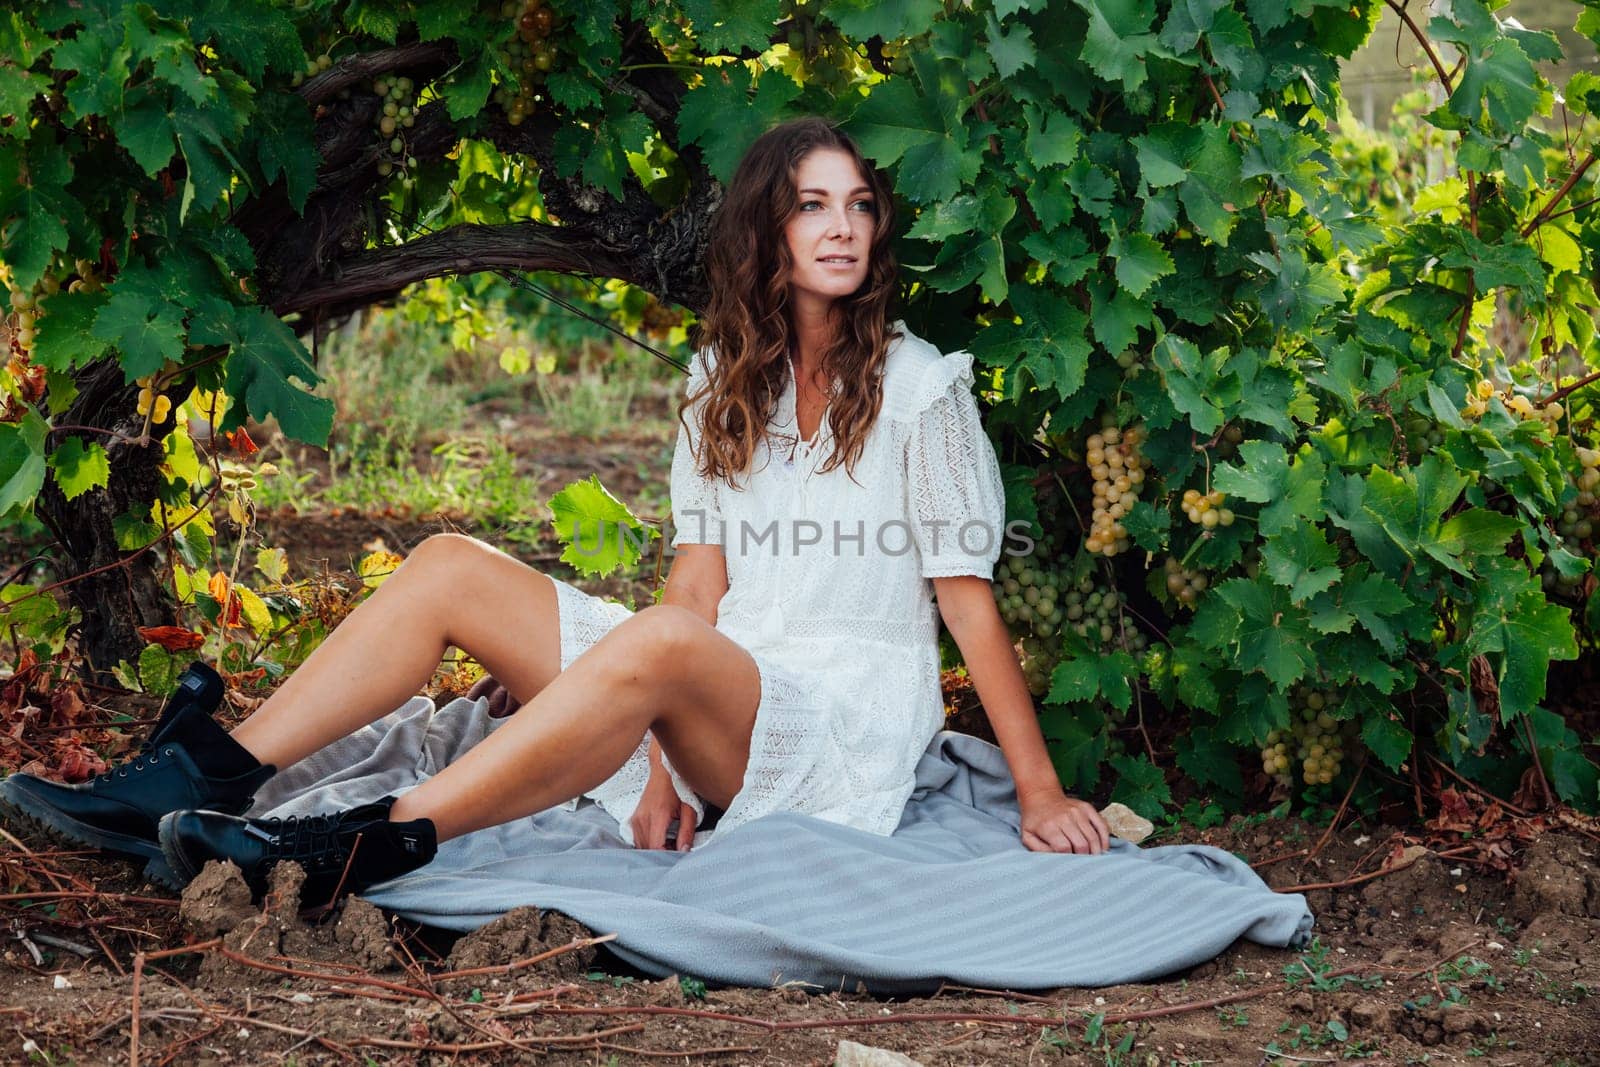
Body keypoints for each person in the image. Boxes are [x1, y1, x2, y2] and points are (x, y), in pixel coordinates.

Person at [0, 116, 1110, 907]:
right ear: (764, 231)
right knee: (447, 561)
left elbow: (964, 605)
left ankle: (365, 840)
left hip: (836, 728)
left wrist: (1040, 788)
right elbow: (696, 588)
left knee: (664, 643)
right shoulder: (722, 377)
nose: (840, 227)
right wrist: (663, 764)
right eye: (810, 204)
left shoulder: (923, 390)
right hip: (713, 689)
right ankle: (202, 772)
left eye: (857, 205)